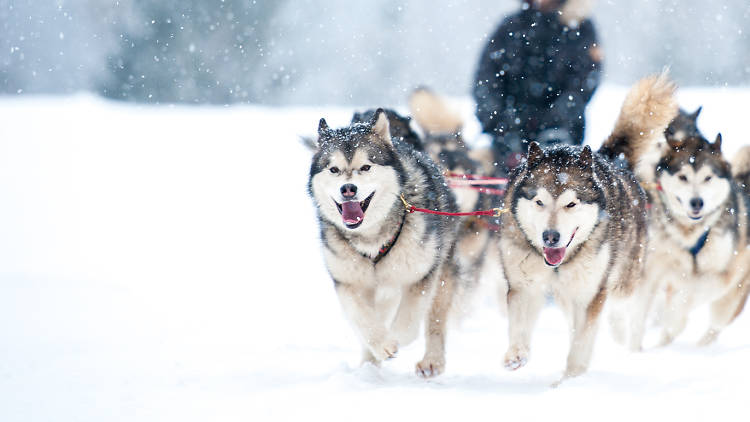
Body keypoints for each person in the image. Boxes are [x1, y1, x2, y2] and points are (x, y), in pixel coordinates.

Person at [473, 0, 602, 175]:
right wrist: (499, 122)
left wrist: (560, 117)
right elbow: (486, 80)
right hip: (510, 134)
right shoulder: (510, 27)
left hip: (563, 134)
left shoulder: (580, 27)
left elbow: (586, 79)